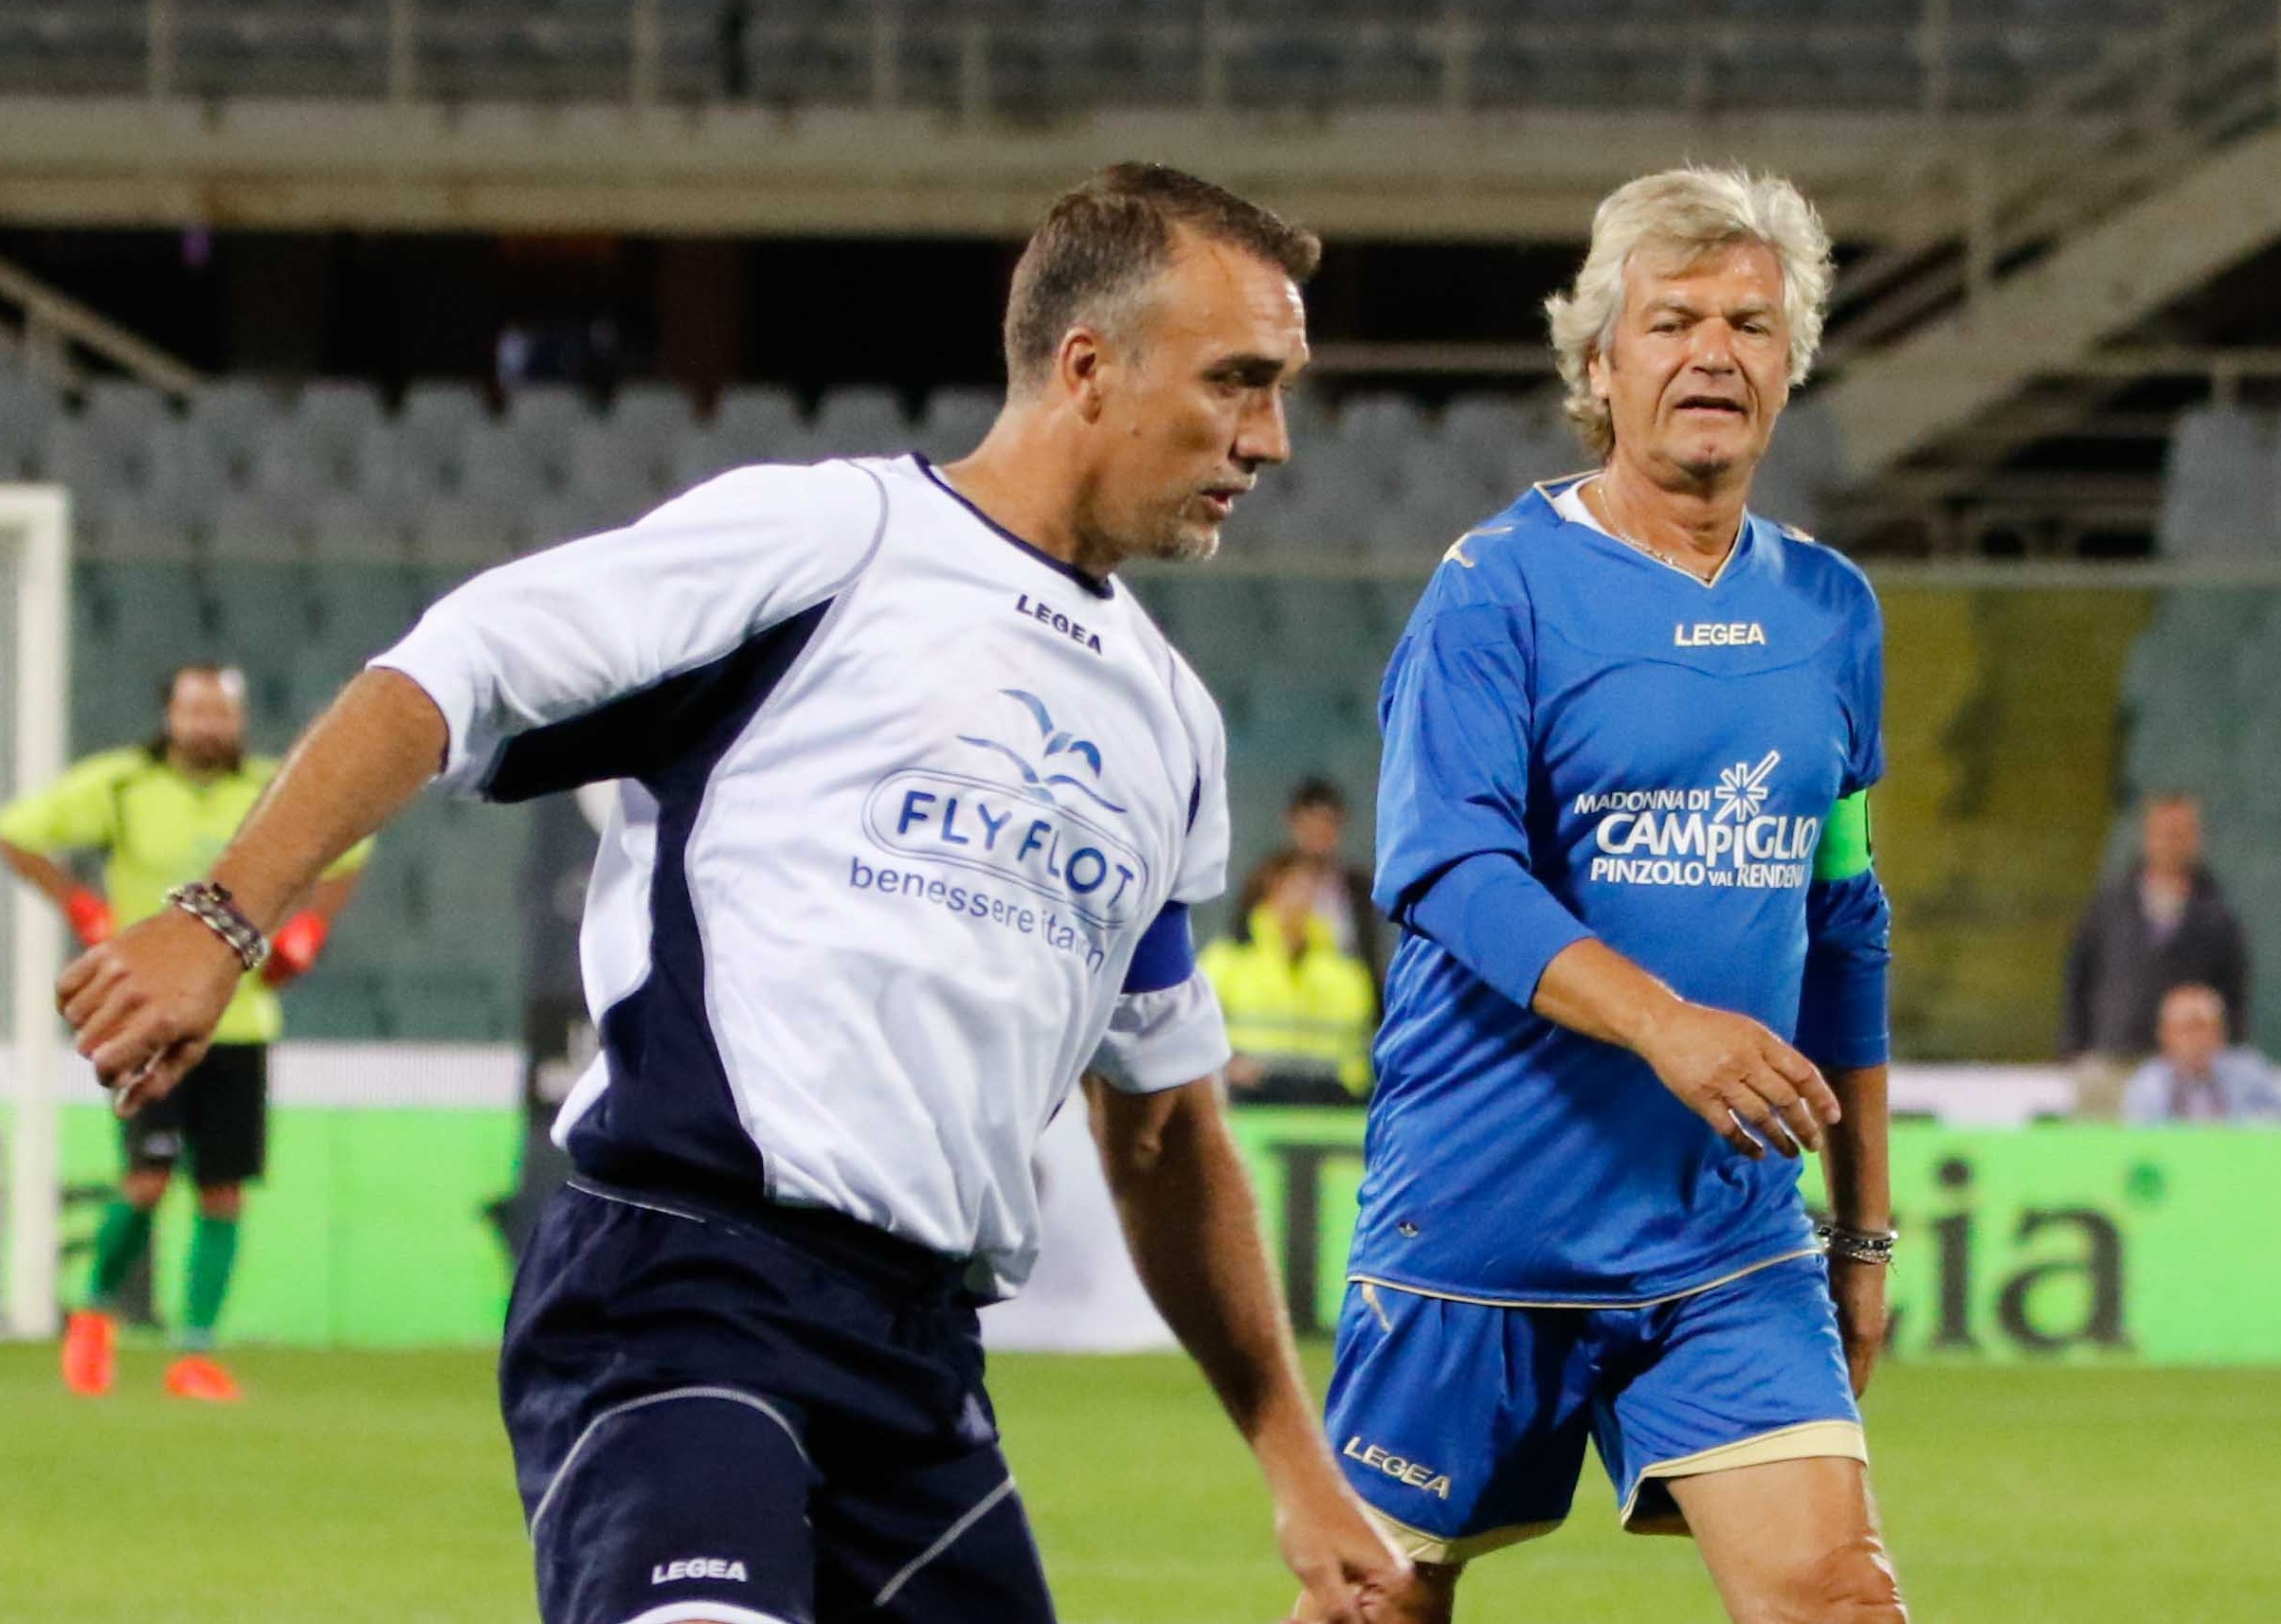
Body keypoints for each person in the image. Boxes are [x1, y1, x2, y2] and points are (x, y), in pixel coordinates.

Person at [56, 165, 1403, 1624]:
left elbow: (1157, 1123)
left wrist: (1296, 1461)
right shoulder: (828, 542)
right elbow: (456, 666)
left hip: (917, 1357)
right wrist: (221, 916)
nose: (1268, 440)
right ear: (1086, 366)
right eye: (1238, 383)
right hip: (680, 1287)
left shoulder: (1169, 724)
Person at [1310, 167, 1906, 1623]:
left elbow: (1843, 916)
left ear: (1789, 366)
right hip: (1478, 1225)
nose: (1714, 350)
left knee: (1839, 1598)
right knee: (1374, 1605)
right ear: (1597, 362)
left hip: (1723, 1237)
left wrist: (1863, 1230)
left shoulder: (1830, 613)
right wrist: (1666, 1026)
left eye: (1751, 325)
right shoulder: (1494, 589)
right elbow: (1446, 867)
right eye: (1671, 320)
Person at [0, 663, 368, 1401]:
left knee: (223, 1190)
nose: (208, 726)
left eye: (220, 713)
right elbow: (17, 833)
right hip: (151, 1015)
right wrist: (81, 908)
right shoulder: (122, 786)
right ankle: (95, 1315)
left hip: (242, 1019)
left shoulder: (272, 786)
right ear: (168, 715)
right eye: (194, 711)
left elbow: (348, 849)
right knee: (147, 1177)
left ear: (238, 719)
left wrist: (307, 932)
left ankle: (194, 1353)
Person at [2064, 794, 2251, 1118]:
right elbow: (2079, 975)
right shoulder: (2111, 904)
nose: (2173, 843)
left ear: (2197, 838)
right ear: (2148, 836)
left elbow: (2234, 988)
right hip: (2114, 1058)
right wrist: (2075, 1047)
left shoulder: (2216, 913)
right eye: (2165, 833)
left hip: (2184, 1070)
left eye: (2182, 833)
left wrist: (2220, 1053)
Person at [1202, 851, 1378, 1104]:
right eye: (1287, 890)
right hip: (1247, 1095)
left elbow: (1357, 1045)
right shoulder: (1226, 961)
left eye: (1308, 891)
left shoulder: (1346, 973)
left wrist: (1350, 1081)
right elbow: (1196, 1030)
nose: (1297, 901)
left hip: (1330, 1098)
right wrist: (1228, 1066)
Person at [1234, 776, 1387, 997]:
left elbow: (1370, 956)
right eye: (1311, 821)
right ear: (1293, 822)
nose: (1318, 831)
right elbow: (1241, 944)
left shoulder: (1358, 888)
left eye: (1327, 822)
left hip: (1344, 1004)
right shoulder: (1264, 880)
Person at [2121, 983, 2281, 1125]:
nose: (2195, 1039)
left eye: (2203, 1027)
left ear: (2221, 1032)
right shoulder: (2147, 1084)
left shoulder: (2250, 1071)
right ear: (2165, 1034)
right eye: (2186, 1029)